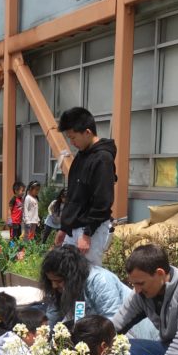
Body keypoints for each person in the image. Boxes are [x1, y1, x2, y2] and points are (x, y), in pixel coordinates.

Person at [39, 246, 158, 339]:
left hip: (132, 335)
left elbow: (113, 323)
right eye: (51, 281)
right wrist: (44, 337)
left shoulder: (100, 281)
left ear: (71, 276)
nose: (54, 285)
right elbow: (54, 314)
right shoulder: (65, 287)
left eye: (59, 281)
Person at [55, 107, 116, 266]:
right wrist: (64, 228)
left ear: (87, 132)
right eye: (69, 138)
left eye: (73, 137)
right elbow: (74, 196)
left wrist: (88, 233)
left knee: (88, 276)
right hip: (74, 229)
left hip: (90, 231)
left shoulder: (103, 159)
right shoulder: (81, 156)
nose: (72, 142)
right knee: (67, 273)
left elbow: (103, 200)